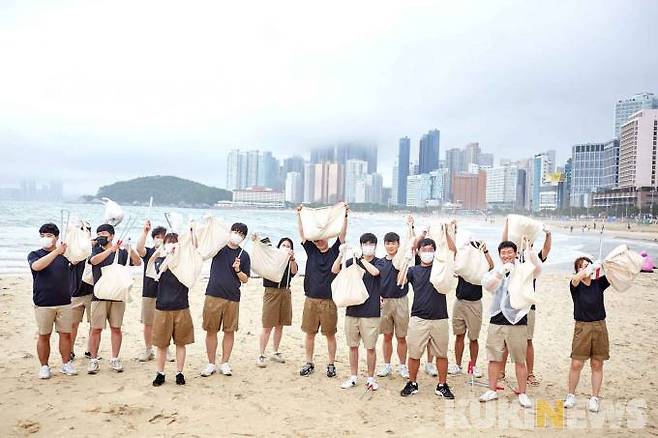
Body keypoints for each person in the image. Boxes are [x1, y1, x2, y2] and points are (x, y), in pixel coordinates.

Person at [479, 240, 541, 408]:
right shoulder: (495, 271)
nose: (506, 255)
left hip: (517, 320)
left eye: (509, 252)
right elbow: (489, 286)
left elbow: (537, 269)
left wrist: (529, 252)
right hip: (496, 319)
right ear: (499, 255)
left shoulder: (523, 270)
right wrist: (500, 274)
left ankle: (522, 392)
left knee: (520, 360)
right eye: (503, 253)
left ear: (515, 253)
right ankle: (491, 390)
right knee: (494, 357)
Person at [399, 235, 456, 399]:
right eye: (425, 250)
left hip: (440, 317)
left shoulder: (441, 268)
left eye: (431, 250)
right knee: (414, 354)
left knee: (442, 355)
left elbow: (453, 252)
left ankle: (442, 385)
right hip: (418, 318)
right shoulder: (414, 270)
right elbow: (400, 280)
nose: (428, 253)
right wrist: (407, 258)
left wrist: (447, 233)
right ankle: (412, 383)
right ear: (419, 252)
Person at [297, 203, 348, 378]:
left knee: (330, 335)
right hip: (310, 299)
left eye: (322, 237)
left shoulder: (334, 251)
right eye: (316, 238)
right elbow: (303, 233)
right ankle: (309, 362)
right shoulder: (311, 251)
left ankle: (331, 364)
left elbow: (342, 235)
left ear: (326, 237)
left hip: (329, 301)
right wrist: (300, 215)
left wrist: (345, 215)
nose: (319, 240)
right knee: (309, 334)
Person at [500, 222, 551, 386]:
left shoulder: (534, 261)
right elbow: (504, 243)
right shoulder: (511, 258)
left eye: (530, 243)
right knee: (506, 340)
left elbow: (546, 251)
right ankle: (500, 371)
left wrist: (548, 235)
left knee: (528, 340)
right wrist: (508, 223)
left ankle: (530, 374)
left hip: (528, 306)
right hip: (510, 305)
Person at [332, 233, 384, 391]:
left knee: (370, 347)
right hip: (352, 311)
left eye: (371, 244)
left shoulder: (379, 262)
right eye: (365, 244)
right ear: (361, 245)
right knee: (352, 346)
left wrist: (360, 259)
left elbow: (375, 272)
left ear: (375, 246)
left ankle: (370, 378)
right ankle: (353, 377)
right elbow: (335, 270)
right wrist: (341, 254)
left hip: (371, 312)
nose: (368, 246)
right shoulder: (352, 262)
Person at [87, 224, 142, 374]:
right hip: (99, 296)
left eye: (103, 233)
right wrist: (111, 250)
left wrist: (130, 248)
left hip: (117, 296)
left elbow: (138, 262)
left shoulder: (122, 252)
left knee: (116, 328)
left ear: (111, 236)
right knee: (96, 328)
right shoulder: (96, 249)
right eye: (98, 234)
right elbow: (94, 261)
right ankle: (93, 359)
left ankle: (115, 358)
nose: (100, 236)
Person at [201, 222, 251, 377]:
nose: (237, 235)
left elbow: (245, 279)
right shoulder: (219, 248)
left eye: (241, 233)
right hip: (213, 294)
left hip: (232, 297)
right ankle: (211, 363)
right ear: (230, 232)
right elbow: (204, 249)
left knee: (229, 331)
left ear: (243, 238)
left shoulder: (244, 255)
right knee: (211, 330)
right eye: (235, 231)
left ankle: (225, 363)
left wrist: (238, 269)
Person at [28, 223, 77, 379]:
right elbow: (37, 267)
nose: (45, 238)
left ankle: (66, 363)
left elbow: (81, 255)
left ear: (56, 237)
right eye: (42, 235)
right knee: (44, 335)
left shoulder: (66, 255)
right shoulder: (34, 254)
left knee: (66, 335)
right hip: (43, 303)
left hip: (64, 302)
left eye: (49, 235)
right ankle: (44, 366)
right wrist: (56, 252)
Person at [563, 257, 611, 413]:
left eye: (588, 265)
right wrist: (586, 271)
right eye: (581, 267)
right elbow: (575, 280)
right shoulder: (575, 285)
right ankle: (571, 395)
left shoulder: (599, 283)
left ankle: (594, 398)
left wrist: (604, 263)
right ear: (577, 270)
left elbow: (613, 275)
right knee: (576, 363)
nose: (586, 268)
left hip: (599, 326)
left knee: (597, 364)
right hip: (582, 327)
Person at [151, 233, 195, 386]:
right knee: (162, 344)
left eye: (174, 243)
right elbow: (158, 271)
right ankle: (160, 373)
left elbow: (194, 252)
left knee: (181, 343)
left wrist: (189, 237)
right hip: (162, 307)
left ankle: (179, 373)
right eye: (169, 242)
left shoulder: (185, 262)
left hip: (182, 306)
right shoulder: (160, 261)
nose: (172, 245)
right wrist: (166, 253)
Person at [447, 240, 494, 378]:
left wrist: (485, 251)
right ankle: (457, 364)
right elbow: (454, 254)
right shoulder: (463, 263)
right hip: (460, 302)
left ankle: (473, 366)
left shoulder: (480, 265)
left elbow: (491, 266)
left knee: (473, 338)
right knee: (459, 335)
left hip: (475, 303)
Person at [257, 237, 298, 367]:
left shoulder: (289, 261)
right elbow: (264, 245)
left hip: (285, 292)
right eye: (283, 245)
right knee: (267, 325)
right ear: (278, 246)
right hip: (271, 292)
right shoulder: (272, 259)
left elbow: (294, 272)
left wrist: (292, 259)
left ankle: (275, 352)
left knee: (280, 325)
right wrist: (256, 240)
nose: (286, 247)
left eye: (288, 246)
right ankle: (261, 354)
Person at [376, 231, 410, 379]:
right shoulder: (379, 262)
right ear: (384, 245)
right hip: (385, 302)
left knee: (401, 337)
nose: (390, 246)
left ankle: (403, 366)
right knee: (387, 336)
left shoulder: (403, 261)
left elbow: (412, 246)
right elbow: (374, 283)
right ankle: (387, 365)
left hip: (401, 300)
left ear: (398, 245)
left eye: (393, 243)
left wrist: (410, 227)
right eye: (388, 243)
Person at [136, 220, 168, 362]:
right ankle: (149, 350)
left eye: (163, 237)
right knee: (148, 323)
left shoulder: (170, 253)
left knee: (165, 323)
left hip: (166, 292)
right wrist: (145, 231)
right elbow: (139, 248)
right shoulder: (149, 252)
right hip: (149, 292)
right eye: (157, 237)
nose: (160, 240)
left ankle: (165, 349)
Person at [69, 221, 94, 360]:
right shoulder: (71, 248)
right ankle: (70, 350)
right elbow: (73, 261)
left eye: (88, 230)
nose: (85, 233)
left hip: (92, 292)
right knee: (73, 324)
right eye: (82, 230)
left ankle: (90, 351)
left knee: (94, 325)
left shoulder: (94, 247)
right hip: (75, 292)